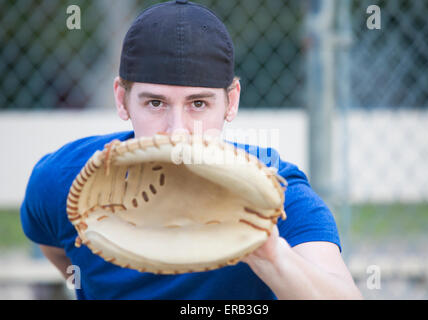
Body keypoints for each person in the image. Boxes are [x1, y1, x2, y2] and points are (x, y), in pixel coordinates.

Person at [20, 0, 362, 299]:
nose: (178, 131)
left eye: (198, 103)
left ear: (231, 102)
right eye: (155, 102)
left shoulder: (275, 194)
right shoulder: (65, 180)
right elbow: (57, 248)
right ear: (122, 99)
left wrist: (269, 253)